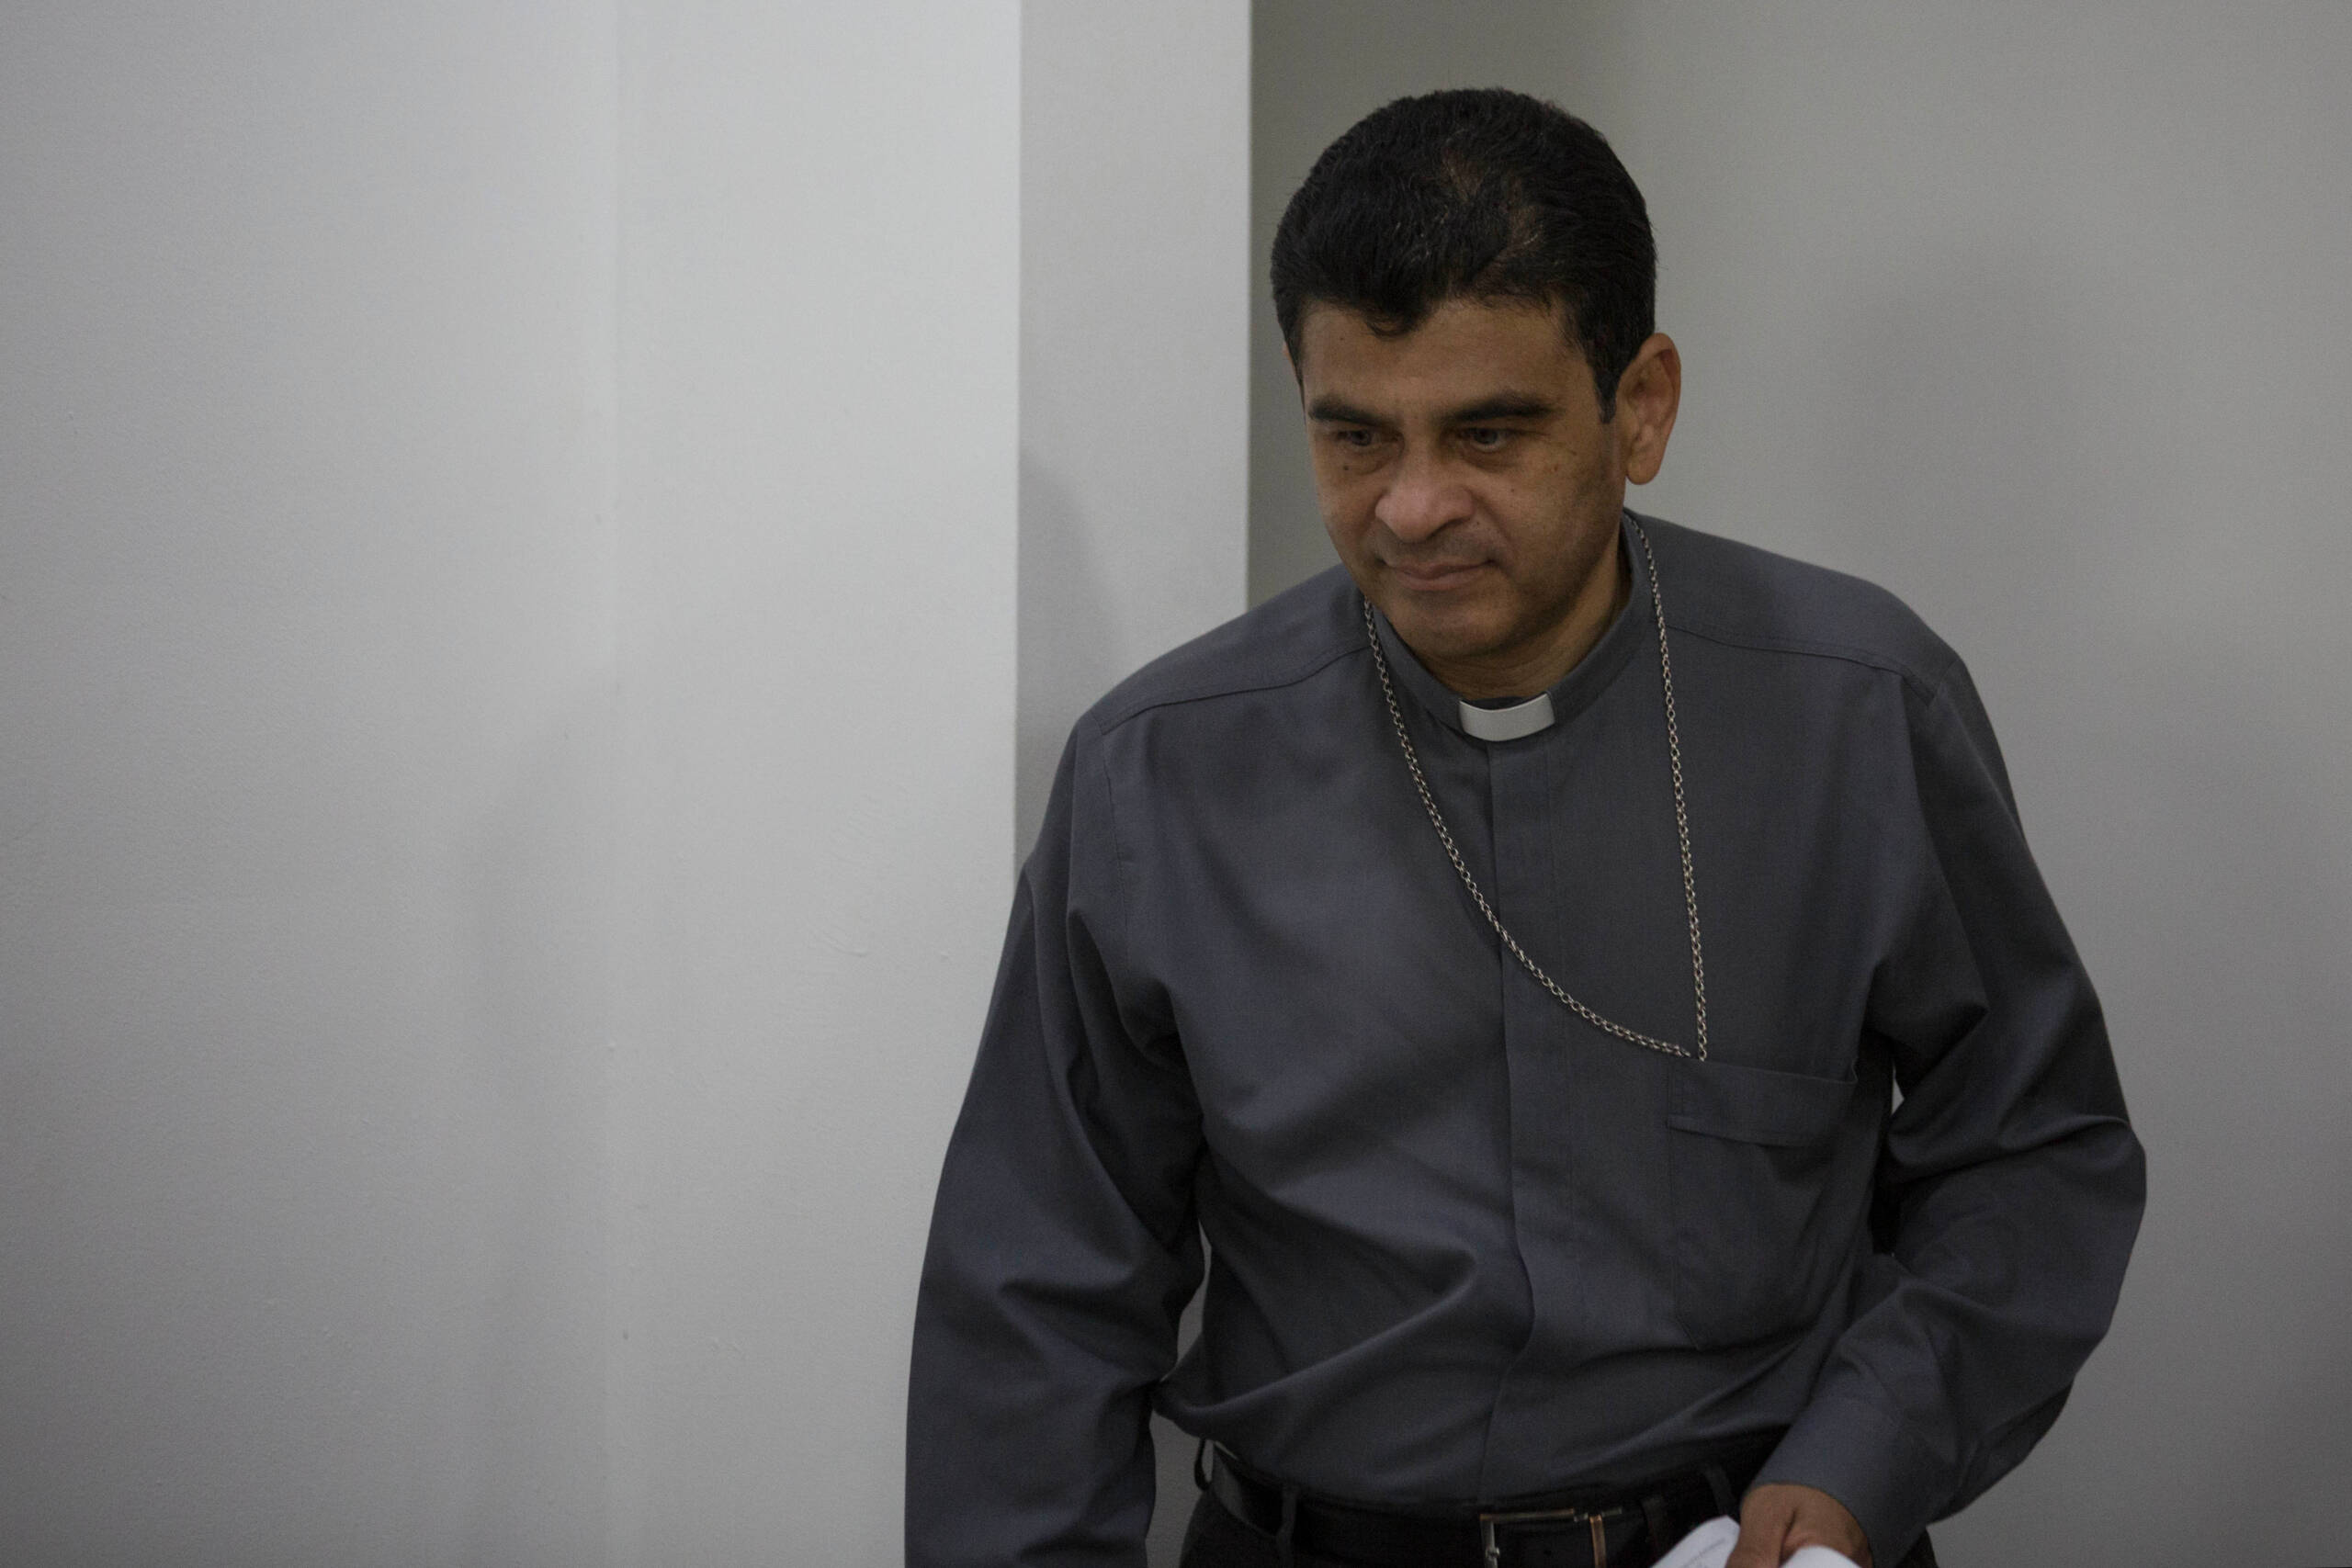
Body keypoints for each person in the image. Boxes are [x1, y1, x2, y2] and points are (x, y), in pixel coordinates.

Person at [907, 88, 2143, 1568]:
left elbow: (2031, 1152)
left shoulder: (1860, 711)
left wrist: (1874, 1449)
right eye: (1355, 437)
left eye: (1488, 432)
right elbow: (1035, 1305)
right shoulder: (1156, 775)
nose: (1412, 508)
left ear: (1642, 405)